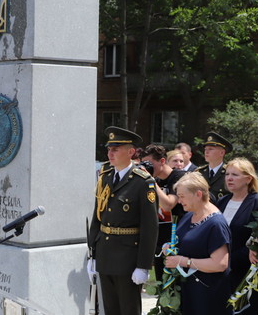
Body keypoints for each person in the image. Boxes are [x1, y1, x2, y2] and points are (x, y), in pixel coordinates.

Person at [87, 127, 158, 315]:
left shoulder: (143, 182)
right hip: (105, 254)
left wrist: (143, 265)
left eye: (116, 149)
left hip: (128, 258)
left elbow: (150, 228)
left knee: (128, 309)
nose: (110, 153)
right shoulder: (105, 177)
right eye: (109, 148)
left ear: (131, 152)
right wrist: (92, 254)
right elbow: (97, 217)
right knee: (109, 309)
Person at [164, 172, 232, 315]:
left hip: (208, 295)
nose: (179, 200)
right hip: (189, 291)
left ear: (198, 194)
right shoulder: (189, 215)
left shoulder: (216, 223)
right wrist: (171, 248)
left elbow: (220, 264)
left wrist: (183, 261)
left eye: (182, 196)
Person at [217, 158, 258, 315]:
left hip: (244, 272)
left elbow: (254, 239)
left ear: (248, 179)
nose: (229, 178)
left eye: (235, 174)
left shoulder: (256, 202)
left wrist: (230, 260)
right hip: (220, 271)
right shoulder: (223, 201)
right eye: (227, 174)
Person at [143, 145, 185, 279]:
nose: (147, 168)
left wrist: (149, 180)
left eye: (150, 164)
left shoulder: (179, 177)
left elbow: (168, 205)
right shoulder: (155, 180)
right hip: (159, 242)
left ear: (162, 161)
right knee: (161, 287)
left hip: (177, 241)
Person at [197, 132, 233, 203]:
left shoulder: (229, 172)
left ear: (222, 153)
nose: (206, 152)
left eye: (210, 149)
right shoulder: (199, 173)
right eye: (205, 149)